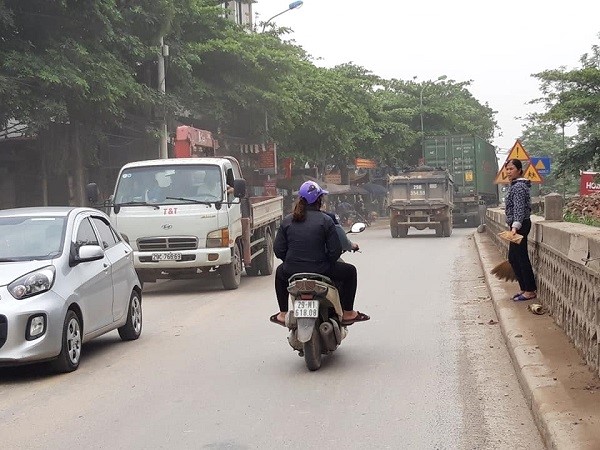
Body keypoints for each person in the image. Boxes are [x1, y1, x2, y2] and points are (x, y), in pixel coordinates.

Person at [270, 181, 370, 327]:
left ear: (300, 200)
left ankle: (283, 313)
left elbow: (278, 250)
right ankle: (348, 312)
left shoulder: (287, 221)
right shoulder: (326, 220)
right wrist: (325, 262)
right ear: (319, 200)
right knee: (350, 271)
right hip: (321, 270)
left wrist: (292, 261)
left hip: (291, 270)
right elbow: (334, 251)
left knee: (280, 272)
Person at [504, 159, 537, 301]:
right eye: (507, 169)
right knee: (513, 257)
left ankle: (529, 290)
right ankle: (524, 288)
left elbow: (518, 207)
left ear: (519, 170)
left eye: (511, 169)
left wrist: (514, 227)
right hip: (519, 225)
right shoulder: (517, 185)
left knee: (520, 257)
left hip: (520, 225)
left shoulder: (518, 187)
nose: (508, 172)